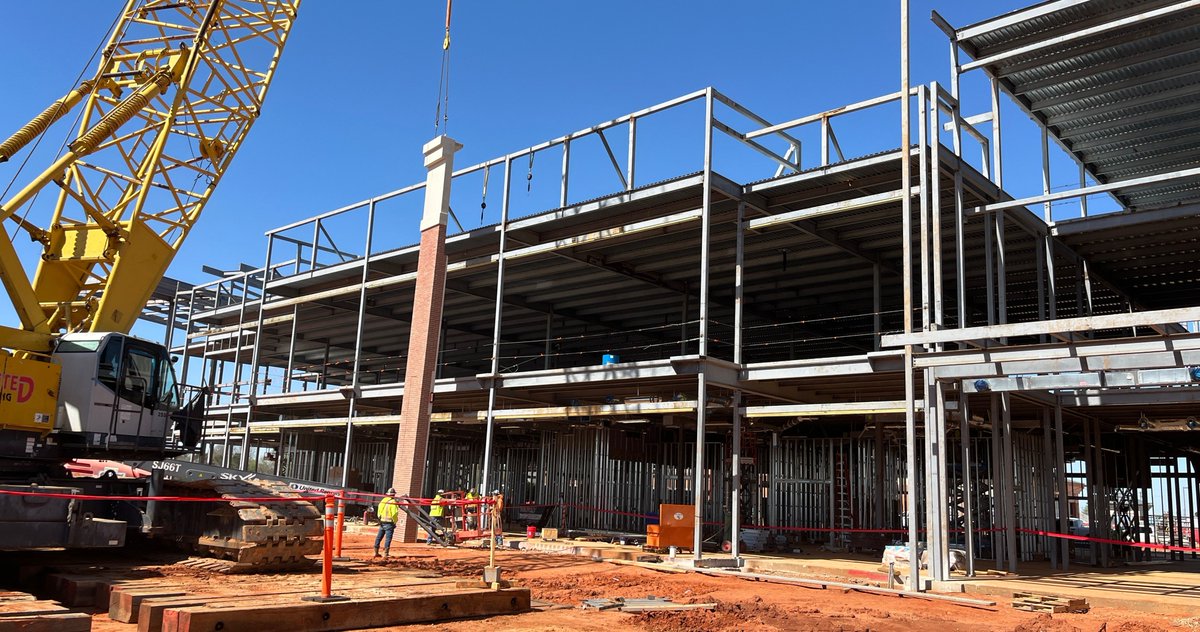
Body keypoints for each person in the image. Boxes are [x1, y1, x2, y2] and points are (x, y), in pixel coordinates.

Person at [374, 488, 399, 559]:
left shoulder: (383, 501)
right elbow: (394, 514)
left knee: (379, 537)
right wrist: (395, 522)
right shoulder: (393, 502)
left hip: (382, 522)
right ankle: (386, 553)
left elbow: (379, 511)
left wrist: (380, 518)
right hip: (389, 523)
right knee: (388, 538)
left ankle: (376, 552)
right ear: (394, 495)